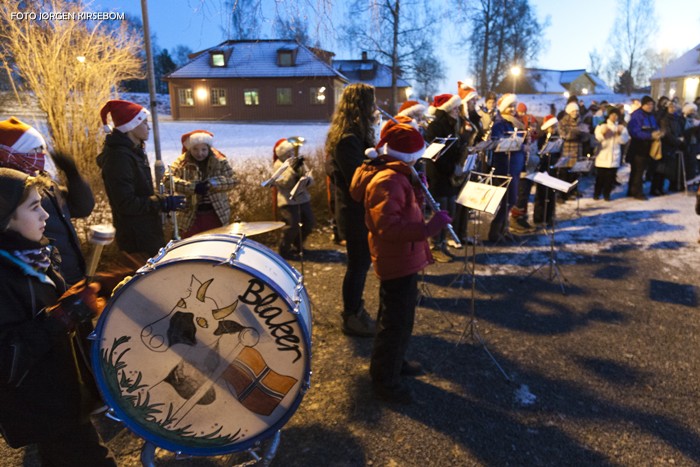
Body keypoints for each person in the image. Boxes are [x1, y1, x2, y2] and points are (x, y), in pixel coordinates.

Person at [0, 167, 116, 466]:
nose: (46, 216)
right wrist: (66, 313)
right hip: (42, 405)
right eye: (34, 207)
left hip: (64, 395)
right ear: (5, 216)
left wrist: (92, 291)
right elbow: (7, 357)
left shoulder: (33, 256)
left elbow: (49, 313)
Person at [349, 123, 451, 404]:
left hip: (404, 256)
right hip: (397, 258)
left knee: (400, 320)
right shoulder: (388, 180)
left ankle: (395, 363)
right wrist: (430, 229)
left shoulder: (398, 175)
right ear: (408, 156)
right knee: (394, 323)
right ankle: (385, 381)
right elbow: (389, 228)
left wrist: (418, 189)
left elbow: (403, 209)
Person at [0, 117, 94, 285]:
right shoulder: (9, 195)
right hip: (48, 279)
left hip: (71, 274)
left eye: (41, 151)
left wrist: (73, 175)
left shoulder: (45, 183)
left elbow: (82, 208)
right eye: (33, 151)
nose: (40, 157)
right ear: (12, 154)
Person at [96, 99, 185, 257]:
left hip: (145, 232)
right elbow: (126, 203)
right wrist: (161, 202)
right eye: (144, 123)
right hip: (137, 239)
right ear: (131, 126)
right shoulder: (119, 158)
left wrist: (161, 200)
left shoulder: (132, 152)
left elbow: (140, 192)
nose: (148, 127)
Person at [326, 83, 378, 337]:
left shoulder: (353, 134)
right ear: (361, 106)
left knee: (360, 263)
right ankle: (351, 315)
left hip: (357, 209)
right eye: (372, 103)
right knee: (358, 264)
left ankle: (356, 310)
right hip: (353, 210)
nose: (376, 108)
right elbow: (357, 179)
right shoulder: (348, 139)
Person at [169, 130, 236, 238]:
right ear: (190, 148)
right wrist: (192, 187)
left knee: (216, 242)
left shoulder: (219, 161)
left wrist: (213, 184)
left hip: (216, 213)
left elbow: (233, 180)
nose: (199, 153)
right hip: (190, 215)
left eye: (203, 149)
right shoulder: (182, 162)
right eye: (195, 149)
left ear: (209, 148)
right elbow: (168, 179)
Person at [423, 93, 464, 260]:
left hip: (449, 174)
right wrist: (453, 168)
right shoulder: (435, 127)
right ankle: (435, 246)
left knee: (450, 209)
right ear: (446, 108)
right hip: (438, 174)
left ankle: (443, 243)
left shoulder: (452, 124)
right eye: (454, 107)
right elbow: (436, 156)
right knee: (440, 211)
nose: (457, 110)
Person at [489, 93, 527, 241]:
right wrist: (517, 144)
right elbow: (497, 142)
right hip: (505, 166)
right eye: (510, 106)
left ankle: (503, 229)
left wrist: (523, 144)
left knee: (512, 200)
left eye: (513, 106)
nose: (512, 109)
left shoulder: (514, 123)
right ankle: (495, 232)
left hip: (515, 166)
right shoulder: (500, 123)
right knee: (507, 200)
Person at [272, 138, 316, 259]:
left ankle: (298, 245)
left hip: (303, 198)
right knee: (292, 226)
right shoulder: (278, 165)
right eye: (289, 153)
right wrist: (293, 170)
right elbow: (285, 182)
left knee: (309, 223)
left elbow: (311, 179)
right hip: (288, 201)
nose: (291, 155)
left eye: (292, 152)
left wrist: (304, 176)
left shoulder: (298, 162)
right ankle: (284, 250)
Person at [509, 102, 539, 234]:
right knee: (520, 195)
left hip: (529, 167)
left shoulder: (532, 134)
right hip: (520, 168)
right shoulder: (518, 128)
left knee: (525, 195)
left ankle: (523, 218)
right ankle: (516, 220)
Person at [627, 95, 662, 200]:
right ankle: (637, 192)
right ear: (643, 105)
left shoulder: (651, 116)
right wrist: (650, 135)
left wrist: (658, 132)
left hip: (648, 147)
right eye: (648, 104)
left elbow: (655, 126)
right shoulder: (637, 116)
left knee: (640, 170)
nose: (650, 106)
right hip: (638, 147)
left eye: (652, 104)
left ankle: (632, 190)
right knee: (638, 170)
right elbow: (634, 131)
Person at [594, 106, 630, 201]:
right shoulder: (602, 125)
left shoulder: (620, 127)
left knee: (610, 178)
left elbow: (624, 140)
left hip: (615, 156)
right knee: (600, 177)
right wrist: (603, 133)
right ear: (609, 115)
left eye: (616, 115)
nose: (614, 117)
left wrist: (619, 134)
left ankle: (607, 194)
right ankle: (596, 193)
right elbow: (597, 138)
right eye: (612, 114)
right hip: (602, 156)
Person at [557, 100, 590, 200]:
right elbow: (563, 135)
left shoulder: (580, 122)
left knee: (574, 174)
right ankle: (562, 194)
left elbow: (585, 138)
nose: (575, 113)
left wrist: (584, 134)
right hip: (566, 151)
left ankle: (572, 192)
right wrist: (575, 132)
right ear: (568, 112)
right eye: (573, 111)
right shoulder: (563, 122)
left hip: (577, 151)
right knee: (564, 174)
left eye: (576, 111)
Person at [533, 115, 559, 226]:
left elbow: (558, 152)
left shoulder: (557, 138)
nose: (554, 129)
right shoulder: (542, 138)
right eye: (552, 127)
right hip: (543, 169)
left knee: (551, 194)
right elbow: (538, 152)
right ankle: (539, 218)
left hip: (552, 168)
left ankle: (549, 216)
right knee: (541, 194)